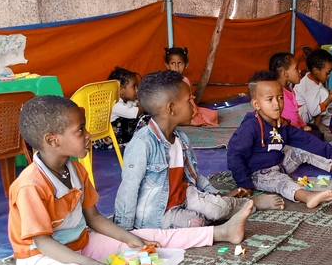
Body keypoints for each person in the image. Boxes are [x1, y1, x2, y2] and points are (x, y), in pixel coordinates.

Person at [10, 95, 255, 265]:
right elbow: (42, 242)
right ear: (52, 140)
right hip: (39, 258)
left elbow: (94, 218)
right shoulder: (30, 185)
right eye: (80, 130)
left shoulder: (76, 170)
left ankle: (221, 232)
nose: (88, 135)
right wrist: (90, 264)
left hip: (80, 242)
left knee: (148, 237)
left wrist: (130, 238)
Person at [114, 70, 283, 230]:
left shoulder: (182, 139)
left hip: (185, 197)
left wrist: (215, 196)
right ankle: (221, 230)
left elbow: (195, 176)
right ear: (171, 109)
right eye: (189, 101)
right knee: (195, 222)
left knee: (217, 209)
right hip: (158, 213)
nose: (194, 107)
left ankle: (248, 203)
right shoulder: (142, 143)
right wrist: (125, 230)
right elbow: (128, 189)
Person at [227, 71, 332, 208]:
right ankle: (308, 196)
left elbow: (306, 140)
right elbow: (235, 155)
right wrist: (244, 183)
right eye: (269, 99)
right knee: (282, 181)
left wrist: (331, 152)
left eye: (280, 97)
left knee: (301, 149)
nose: (277, 104)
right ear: (256, 104)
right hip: (258, 174)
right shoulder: (249, 128)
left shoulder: (282, 124)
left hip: (280, 164)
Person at [269, 52, 323, 141]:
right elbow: (291, 121)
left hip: (294, 127)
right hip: (285, 131)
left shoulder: (290, 90)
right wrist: (301, 130)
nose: (300, 70)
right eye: (296, 67)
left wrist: (303, 125)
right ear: (285, 72)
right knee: (316, 136)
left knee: (315, 129)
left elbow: (295, 114)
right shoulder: (279, 93)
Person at [164, 47, 218, 127]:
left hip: (184, 106)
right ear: (167, 65)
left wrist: (192, 110)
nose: (176, 67)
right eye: (173, 63)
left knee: (207, 115)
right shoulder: (165, 80)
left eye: (180, 63)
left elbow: (189, 98)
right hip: (171, 107)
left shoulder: (185, 80)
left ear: (186, 64)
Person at [293, 48, 332, 134]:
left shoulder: (309, 76)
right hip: (300, 117)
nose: (329, 75)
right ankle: (318, 123)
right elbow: (314, 111)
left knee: (324, 93)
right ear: (316, 71)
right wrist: (329, 98)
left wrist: (329, 92)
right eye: (327, 73)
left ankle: (318, 122)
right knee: (324, 94)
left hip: (305, 111)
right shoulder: (309, 87)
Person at [95, 67, 144, 149]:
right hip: (103, 139)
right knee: (143, 117)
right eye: (134, 87)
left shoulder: (128, 101)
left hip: (114, 134)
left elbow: (135, 105)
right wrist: (146, 104)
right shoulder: (114, 104)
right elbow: (134, 113)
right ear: (120, 90)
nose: (137, 90)